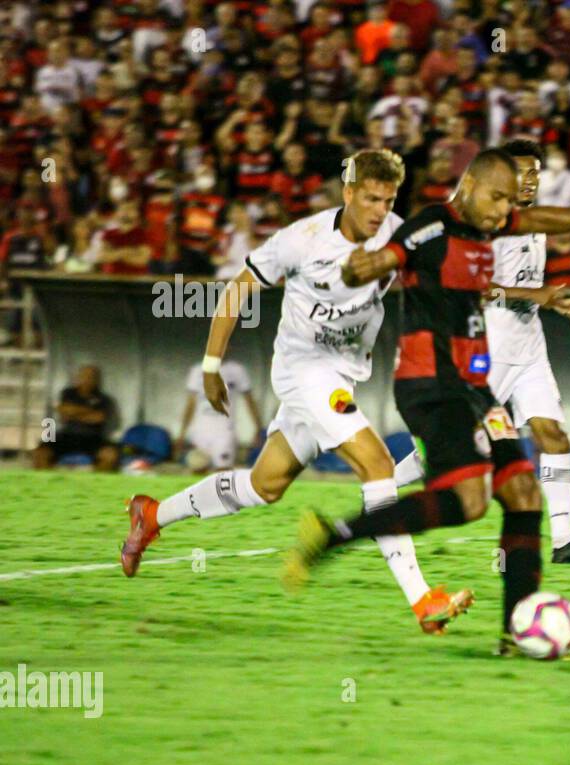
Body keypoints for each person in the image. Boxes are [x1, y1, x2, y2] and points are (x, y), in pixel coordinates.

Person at [284, 149, 570, 656]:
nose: (503, 214)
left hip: (475, 386)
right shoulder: (433, 226)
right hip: (431, 383)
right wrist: (363, 267)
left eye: (507, 205)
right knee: (469, 503)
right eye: (496, 199)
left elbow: (537, 217)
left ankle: (514, 634)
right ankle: (338, 534)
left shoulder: (489, 225)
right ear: (469, 185)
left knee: (522, 493)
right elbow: (390, 257)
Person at [121, 150, 458, 636]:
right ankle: (423, 600)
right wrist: (212, 364)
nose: (380, 209)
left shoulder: (397, 235)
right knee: (377, 464)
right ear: (348, 193)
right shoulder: (301, 240)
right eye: (370, 198)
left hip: (342, 374)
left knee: (266, 485)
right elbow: (237, 290)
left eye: (387, 199)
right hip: (303, 369)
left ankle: (152, 514)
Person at [486, 140, 570, 564]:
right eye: (522, 171)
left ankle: (563, 541)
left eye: (536, 172)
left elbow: (529, 289)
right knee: (461, 446)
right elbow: (479, 288)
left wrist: (555, 303)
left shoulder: (535, 221)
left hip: (529, 344)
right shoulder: (488, 221)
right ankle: (387, 487)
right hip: (490, 343)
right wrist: (536, 294)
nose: (531, 179)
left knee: (553, 435)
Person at [176, 359, 261, 472]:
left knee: (223, 472)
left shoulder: (236, 370)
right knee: (198, 468)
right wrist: (182, 433)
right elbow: (190, 405)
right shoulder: (197, 370)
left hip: (224, 430)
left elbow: (249, 401)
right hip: (201, 429)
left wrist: (259, 428)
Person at [31, 365, 120, 473]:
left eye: (91, 377)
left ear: (96, 380)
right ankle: (50, 481)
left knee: (110, 455)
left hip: (92, 437)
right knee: (40, 453)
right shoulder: (68, 393)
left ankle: (94, 482)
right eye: (84, 376)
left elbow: (98, 418)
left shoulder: (104, 398)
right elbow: (64, 412)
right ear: (78, 377)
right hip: (67, 436)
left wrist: (74, 413)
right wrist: (89, 411)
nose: (87, 379)